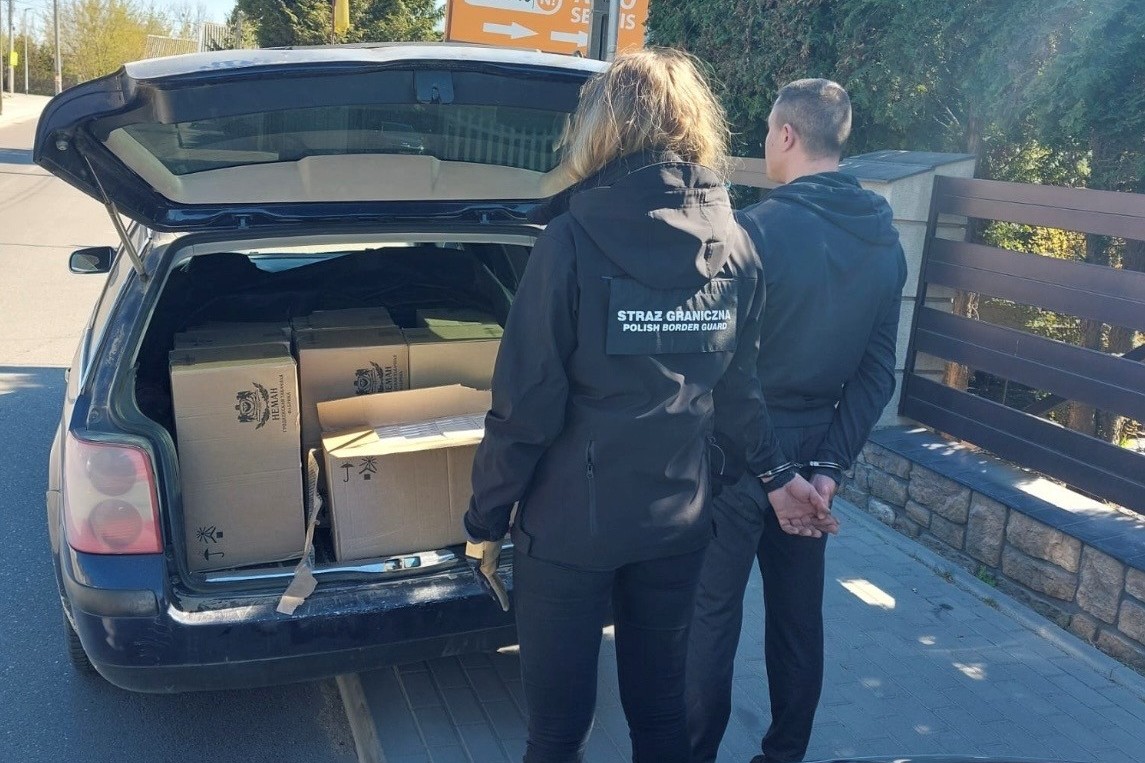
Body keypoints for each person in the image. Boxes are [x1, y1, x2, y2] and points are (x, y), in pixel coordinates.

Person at [463, 50, 830, 763]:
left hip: (568, 531)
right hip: (677, 523)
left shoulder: (568, 242)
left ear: (602, 128)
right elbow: (739, 393)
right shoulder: (739, 247)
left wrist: (485, 518)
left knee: (556, 733)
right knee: (661, 720)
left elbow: (526, 407)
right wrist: (770, 474)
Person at [687, 78, 908, 763]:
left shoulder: (752, 231)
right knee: (796, 620)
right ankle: (784, 754)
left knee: (709, 620)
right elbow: (877, 373)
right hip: (812, 460)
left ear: (786, 135)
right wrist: (826, 469)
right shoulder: (884, 241)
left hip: (736, 457)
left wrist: (775, 471)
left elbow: (725, 368)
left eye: (766, 132)